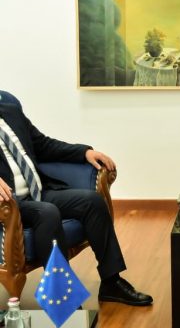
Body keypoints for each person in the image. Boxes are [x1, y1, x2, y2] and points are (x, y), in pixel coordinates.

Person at [0, 92, 152, 306]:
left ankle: (111, 282)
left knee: (92, 201)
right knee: (47, 212)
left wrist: (84, 153)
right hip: (9, 203)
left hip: (38, 192)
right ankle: (63, 298)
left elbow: (43, 145)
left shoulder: (10, 111)